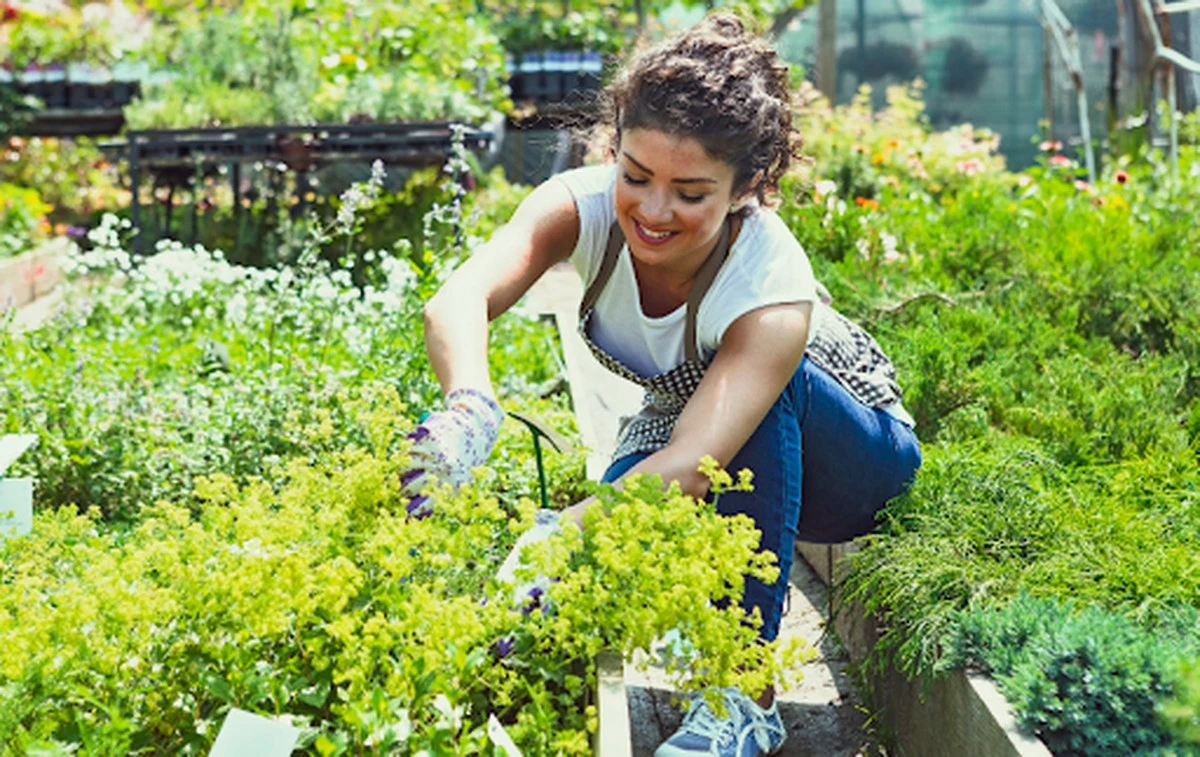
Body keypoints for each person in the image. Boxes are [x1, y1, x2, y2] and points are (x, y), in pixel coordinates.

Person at [405, 13, 922, 756]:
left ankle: (744, 695)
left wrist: (560, 533)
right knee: (604, 542)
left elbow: (694, 463)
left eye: (690, 192)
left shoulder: (768, 278)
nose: (652, 210)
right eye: (636, 176)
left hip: (854, 462)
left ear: (747, 188)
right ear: (613, 149)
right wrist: (470, 405)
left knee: (635, 497)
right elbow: (457, 298)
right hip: (696, 425)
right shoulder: (578, 208)